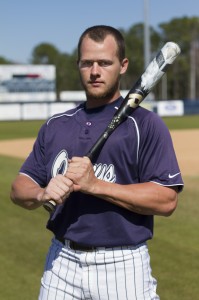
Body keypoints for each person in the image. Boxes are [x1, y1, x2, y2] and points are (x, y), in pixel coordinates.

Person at [10, 25, 184, 300]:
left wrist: (95, 185)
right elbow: (20, 187)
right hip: (61, 262)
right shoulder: (56, 125)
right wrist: (41, 192)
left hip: (123, 266)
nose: (94, 71)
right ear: (78, 64)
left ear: (122, 65)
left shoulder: (146, 125)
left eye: (104, 63)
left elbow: (166, 201)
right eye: (87, 62)